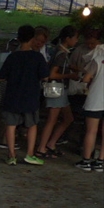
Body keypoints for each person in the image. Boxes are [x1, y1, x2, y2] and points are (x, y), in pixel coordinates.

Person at [0, 25, 49, 166]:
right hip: (30, 96)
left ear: (18, 39)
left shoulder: (12, 57)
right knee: (32, 125)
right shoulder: (37, 57)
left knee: (11, 125)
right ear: (32, 38)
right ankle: (30, 154)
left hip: (12, 96)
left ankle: (11, 155)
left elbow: (1, 77)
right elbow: (45, 76)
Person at [36, 26, 79, 158]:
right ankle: (42, 147)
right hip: (57, 88)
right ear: (68, 38)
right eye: (75, 38)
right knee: (52, 120)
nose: (77, 41)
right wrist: (70, 75)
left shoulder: (60, 51)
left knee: (68, 118)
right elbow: (52, 74)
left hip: (60, 90)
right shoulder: (61, 54)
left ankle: (50, 144)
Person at [74, 33, 103, 171]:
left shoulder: (98, 59)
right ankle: (101, 161)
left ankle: (86, 160)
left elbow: (86, 78)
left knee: (91, 131)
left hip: (96, 98)